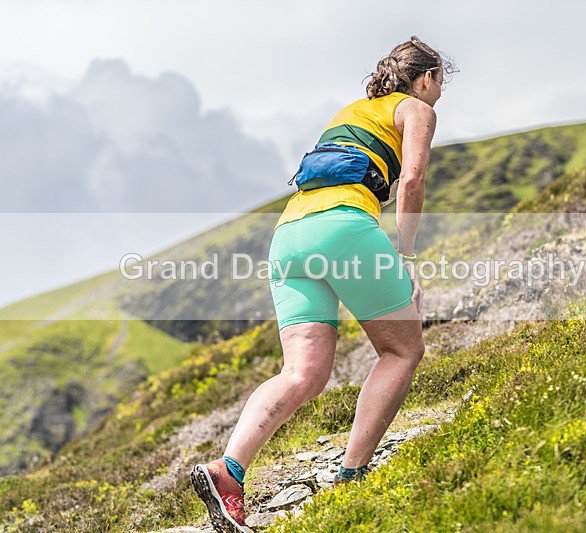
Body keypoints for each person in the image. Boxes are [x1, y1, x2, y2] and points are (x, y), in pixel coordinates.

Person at [191, 36, 455, 533]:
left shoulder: (351, 110)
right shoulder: (416, 109)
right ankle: (352, 474)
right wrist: (406, 254)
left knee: (302, 373)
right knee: (402, 351)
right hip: (342, 227)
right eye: (440, 81)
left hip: (288, 236)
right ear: (425, 78)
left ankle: (227, 471)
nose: (439, 92)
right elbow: (412, 180)